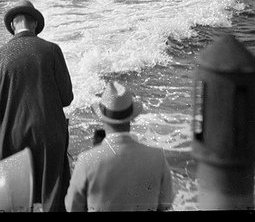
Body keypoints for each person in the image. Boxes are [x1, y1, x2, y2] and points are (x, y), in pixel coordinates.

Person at [0, 0, 73, 212]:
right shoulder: (52, 50)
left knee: (14, 199)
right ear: (34, 23)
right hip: (48, 135)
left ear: (13, 24)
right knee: (53, 197)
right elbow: (66, 98)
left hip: (11, 137)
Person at [64, 81, 173, 212]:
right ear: (131, 118)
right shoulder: (157, 157)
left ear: (102, 118)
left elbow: (72, 207)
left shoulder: (87, 161)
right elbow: (165, 204)